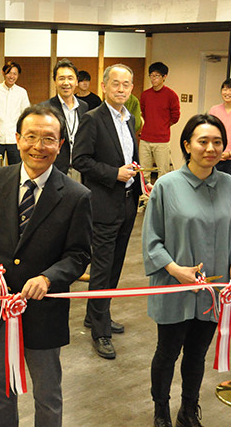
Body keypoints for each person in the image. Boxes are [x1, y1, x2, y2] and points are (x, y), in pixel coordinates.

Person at [0, 104, 92, 427]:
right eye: (31, 137)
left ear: (60, 145)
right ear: (17, 138)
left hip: (44, 313)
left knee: (48, 395)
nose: (39, 146)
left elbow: (79, 255)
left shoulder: (76, 196)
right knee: (0, 392)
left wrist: (49, 278)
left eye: (49, 139)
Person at [142, 113, 231, 427]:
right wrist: (175, 269)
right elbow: (152, 240)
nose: (210, 148)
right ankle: (161, 410)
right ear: (187, 144)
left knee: (196, 355)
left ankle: (188, 410)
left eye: (217, 142)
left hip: (212, 293)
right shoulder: (166, 186)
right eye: (203, 141)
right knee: (167, 352)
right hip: (173, 287)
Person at [73, 64, 141, 359]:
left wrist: (137, 177)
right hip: (103, 204)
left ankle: (97, 313)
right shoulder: (92, 119)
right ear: (104, 86)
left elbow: (129, 157)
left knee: (115, 265)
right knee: (101, 267)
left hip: (127, 202)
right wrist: (114, 173)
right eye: (116, 84)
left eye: (127, 84)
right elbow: (80, 160)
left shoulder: (128, 120)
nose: (122, 89)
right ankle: (100, 332)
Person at [38, 58, 88, 178]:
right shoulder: (45, 108)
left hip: (80, 170)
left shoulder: (84, 107)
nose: (66, 83)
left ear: (76, 81)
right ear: (55, 81)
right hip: (54, 169)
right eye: (61, 78)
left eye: (70, 78)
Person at [0, 61, 30, 169]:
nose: (12, 76)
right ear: (3, 73)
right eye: (9, 73)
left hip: (15, 138)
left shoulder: (22, 92)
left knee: (16, 169)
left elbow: (26, 115)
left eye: (15, 74)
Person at [140, 62, 181, 184]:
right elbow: (144, 112)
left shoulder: (171, 95)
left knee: (162, 172)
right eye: (151, 75)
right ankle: (144, 197)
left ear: (164, 77)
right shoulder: (145, 95)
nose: (153, 79)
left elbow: (175, 116)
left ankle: (160, 198)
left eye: (157, 76)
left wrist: (162, 125)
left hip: (162, 140)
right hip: (145, 138)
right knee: (143, 172)